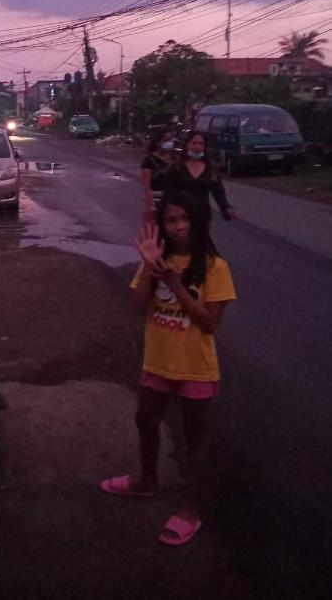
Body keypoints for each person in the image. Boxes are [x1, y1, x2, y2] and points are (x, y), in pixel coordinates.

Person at [100, 190, 237, 546]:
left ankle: (189, 509)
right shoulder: (158, 259)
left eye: (185, 219)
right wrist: (148, 266)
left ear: (197, 221)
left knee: (195, 437)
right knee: (145, 420)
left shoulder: (213, 266)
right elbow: (138, 305)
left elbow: (209, 323)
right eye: (171, 220)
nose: (178, 226)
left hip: (195, 367)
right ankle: (146, 481)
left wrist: (176, 284)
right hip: (157, 361)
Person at [165, 130, 236, 226]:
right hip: (181, 217)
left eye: (201, 144)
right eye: (194, 143)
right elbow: (169, 192)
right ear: (187, 145)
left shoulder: (210, 168)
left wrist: (226, 207)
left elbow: (218, 191)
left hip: (202, 215)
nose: (197, 147)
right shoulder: (176, 167)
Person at [140, 127, 176, 221]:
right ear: (157, 142)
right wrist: (151, 205)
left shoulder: (174, 159)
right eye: (166, 140)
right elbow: (147, 188)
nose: (169, 143)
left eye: (171, 140)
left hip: (171, 201)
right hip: (155, 201)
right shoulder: (148, 161)